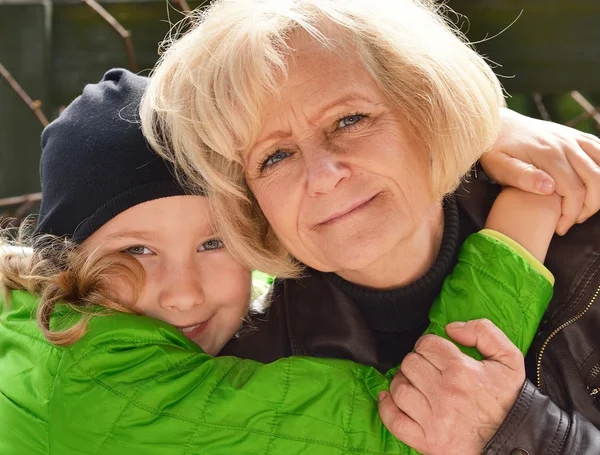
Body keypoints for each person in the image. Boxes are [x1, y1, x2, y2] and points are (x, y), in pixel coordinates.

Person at [0, 69, 563, 455]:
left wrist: (485, 127)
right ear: (64, 258)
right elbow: (417, 430)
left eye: (215, 243)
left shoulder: (38, 317)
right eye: (136, 251)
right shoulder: (104, 383)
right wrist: (528, 209)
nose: (183, 294)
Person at [139, 0, 600, 453]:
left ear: (427, 110)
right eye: (274, 156)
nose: (323, 175)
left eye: (349, 120)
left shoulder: (589, 239)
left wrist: (523, 432)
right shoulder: (251, 377)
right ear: (250, 202)